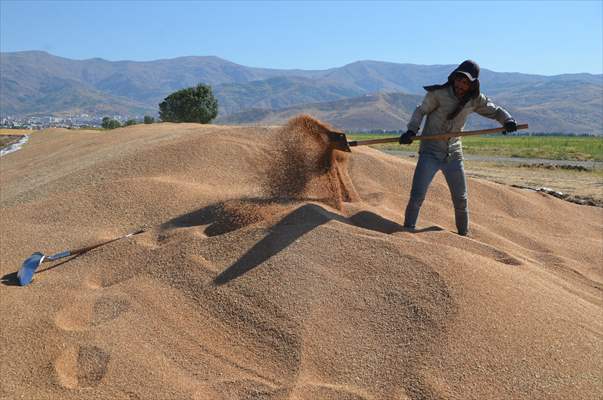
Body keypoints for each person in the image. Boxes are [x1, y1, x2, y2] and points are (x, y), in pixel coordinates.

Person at [399, 60, 517, 236]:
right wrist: (411, 130)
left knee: (461, 199)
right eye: (459, 80)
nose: (460, 85)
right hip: (430, 152)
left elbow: (495, 110)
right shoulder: (438, 94)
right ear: (453, 78)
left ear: (473, 84)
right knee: (417, 195)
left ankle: (464, 235)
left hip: (453, 154)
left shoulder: (475, 100)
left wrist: (507, 120)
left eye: (465, 82)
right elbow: (420, 110)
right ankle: (407, 232)